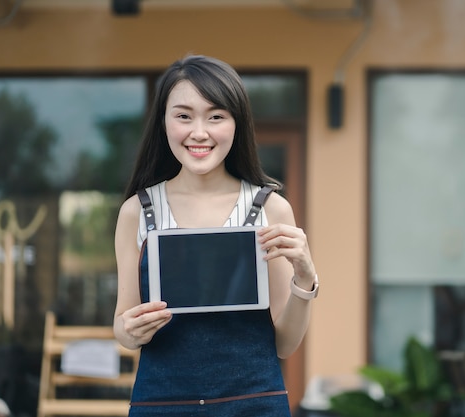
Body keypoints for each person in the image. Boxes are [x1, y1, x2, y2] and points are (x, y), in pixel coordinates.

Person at [113, 54, 319, 417]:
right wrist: (131, 331)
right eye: (183, 115)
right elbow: (123, 324)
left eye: (216, 116)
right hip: (161, 405)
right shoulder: (136, 211)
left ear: (237, 123)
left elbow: (285, 345)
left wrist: (305, 278)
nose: (199, 132)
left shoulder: (270, 208)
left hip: (254, 404)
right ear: (163, 122)